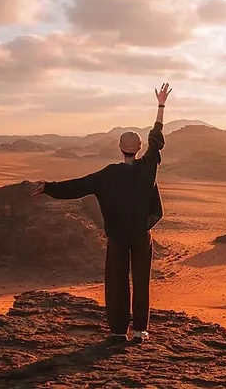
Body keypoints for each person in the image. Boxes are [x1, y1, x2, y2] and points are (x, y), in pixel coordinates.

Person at [32, 83, 172, 343]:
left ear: (120, 149)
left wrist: (49, 188)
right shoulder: (148, 168)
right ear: (139, 149)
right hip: (142, 235)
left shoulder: (107, 175)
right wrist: (160, 106)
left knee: (118, 280)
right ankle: (140, 330)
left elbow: (79, 186)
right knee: (141, 280)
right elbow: (157, 141)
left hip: (118, 237)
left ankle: (118, 330)